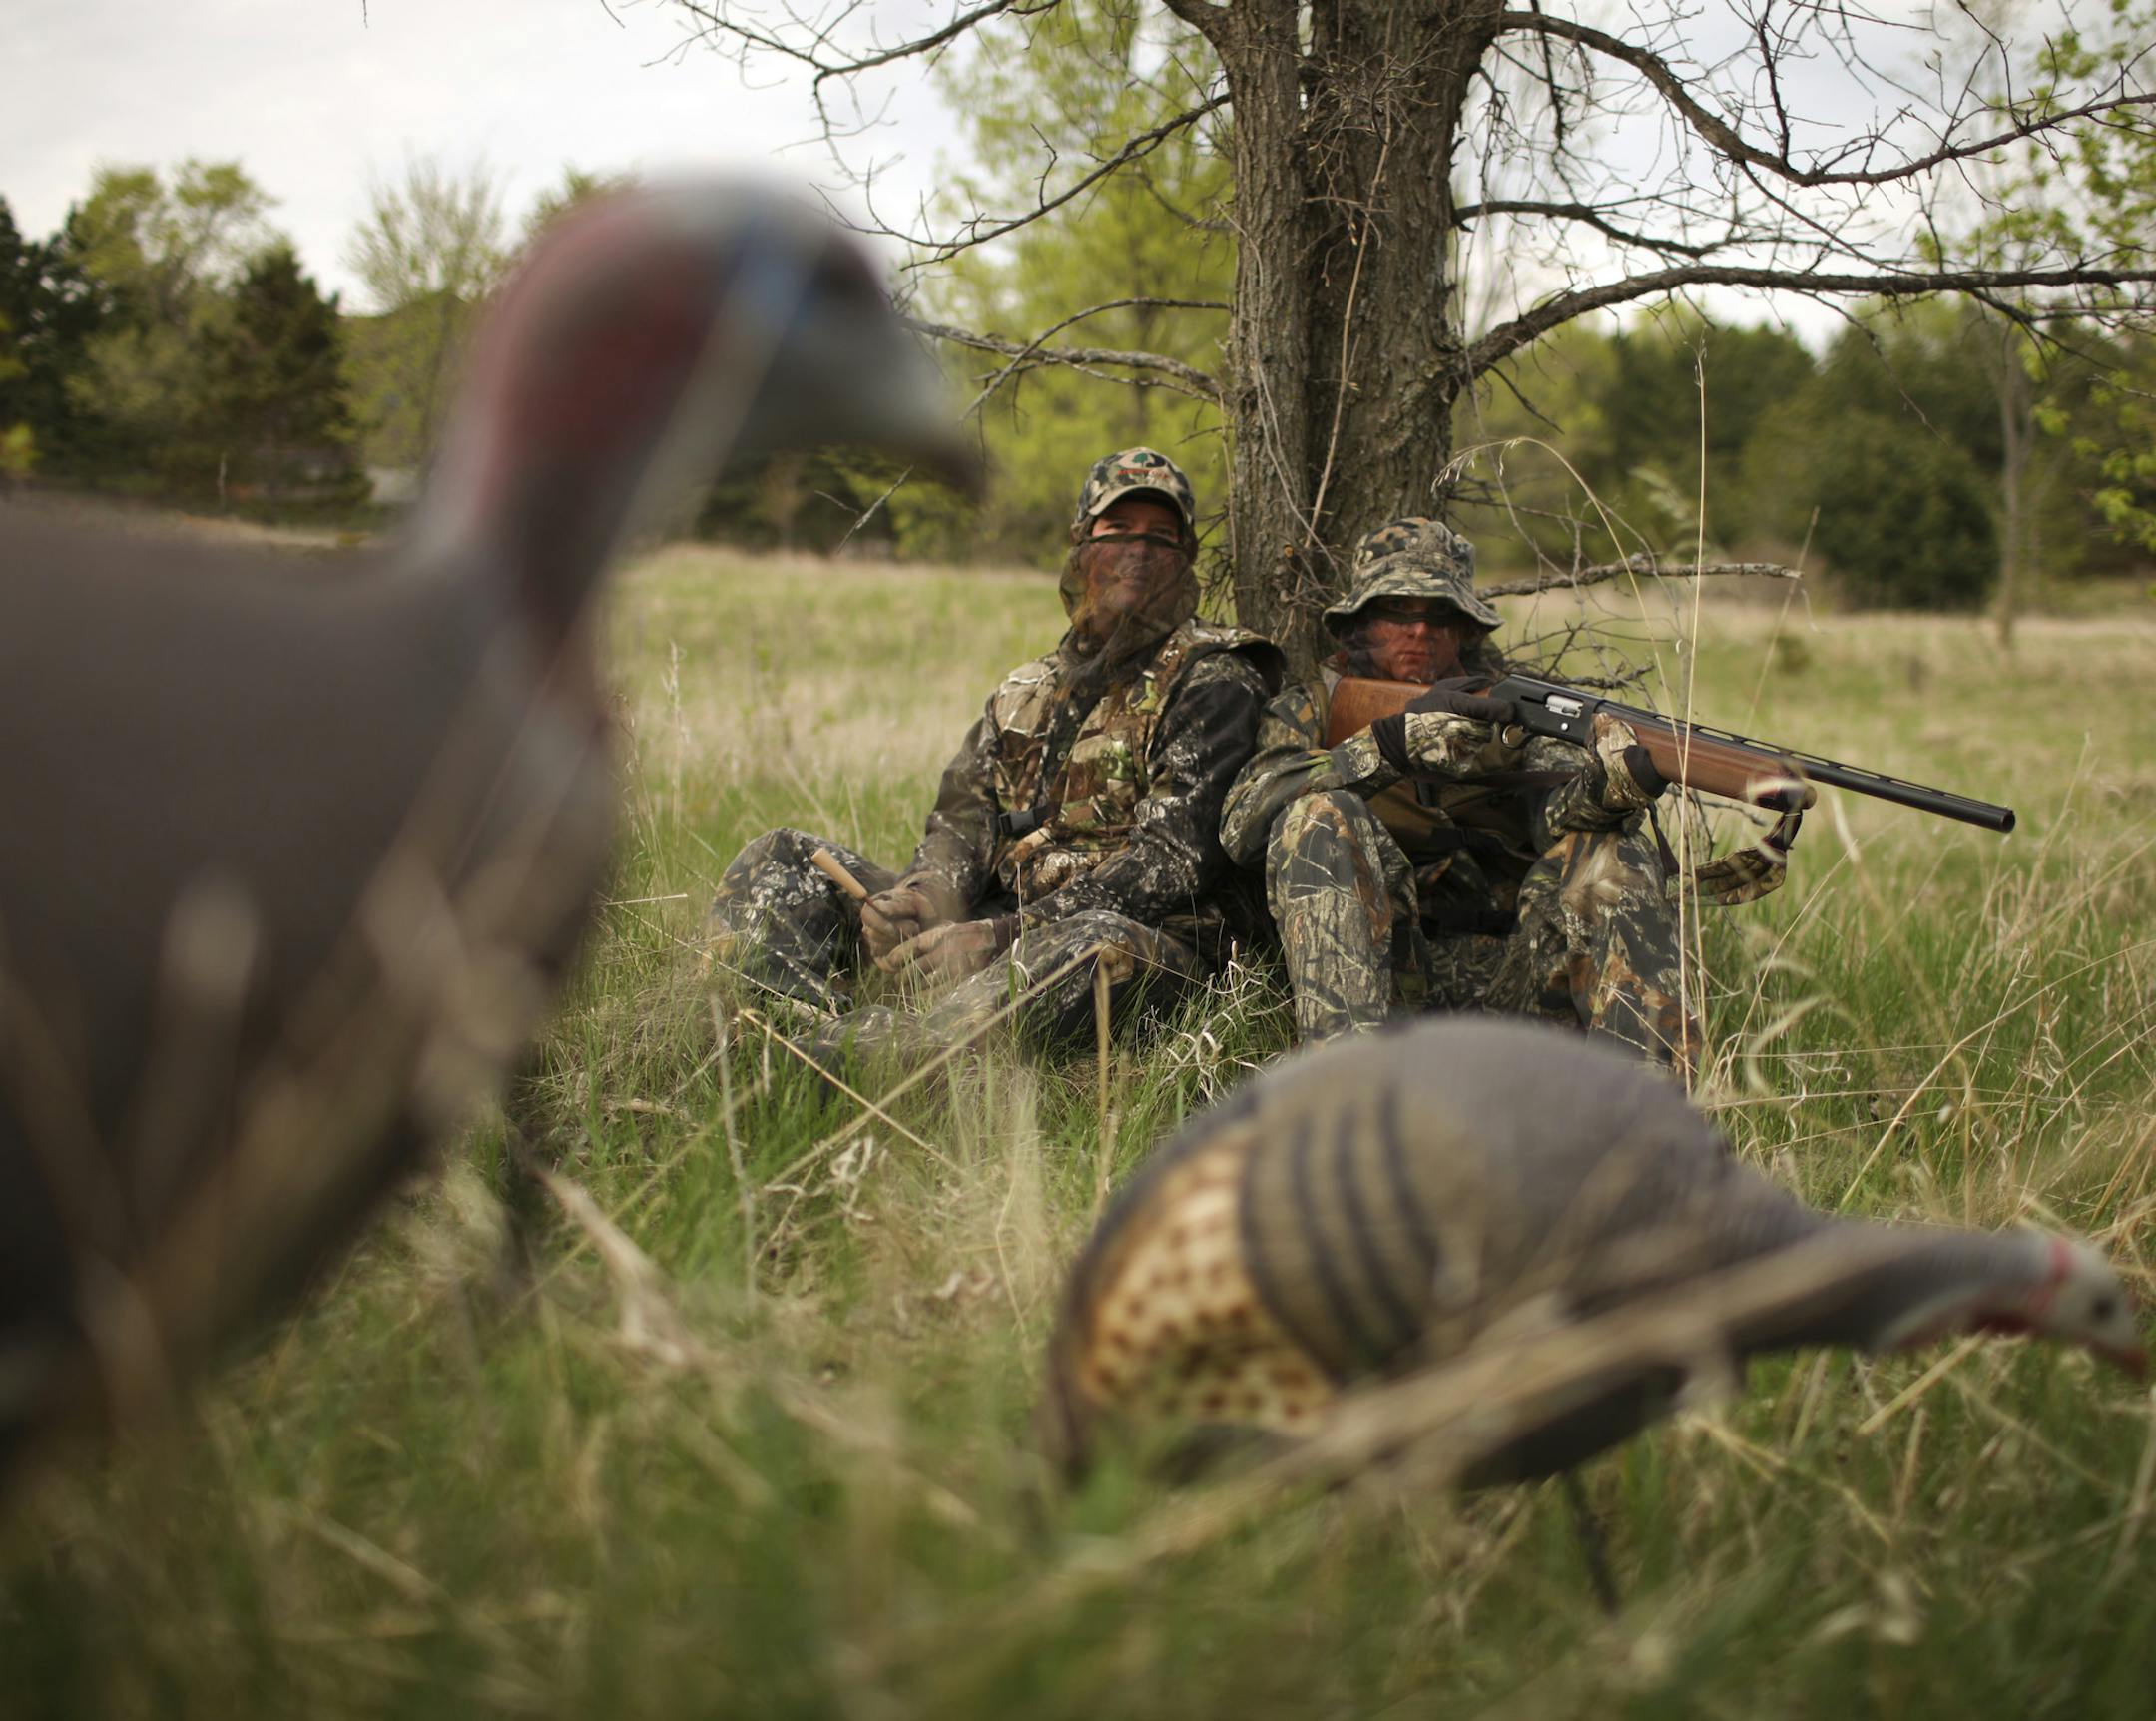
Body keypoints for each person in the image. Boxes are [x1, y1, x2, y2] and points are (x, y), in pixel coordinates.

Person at [708, 447, 1284, 1069]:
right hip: (989, 930)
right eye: (1117, 531)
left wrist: (1000, 938)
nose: (1139, 552)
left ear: (1186, 558)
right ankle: (788, 1027)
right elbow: (960, 823)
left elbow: (1169, 865)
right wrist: (923, 901)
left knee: (1094, 945)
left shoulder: (1216, 679)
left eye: (1160, 537)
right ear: (1081, 544)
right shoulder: (1023, 691)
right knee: (783, 855)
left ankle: (883, 1062)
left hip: (1139, 946)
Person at [1220, 517, 1780, 1076]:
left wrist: (1608, 790)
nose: (1420, 632)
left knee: (1611, 851)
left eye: (1441, 616)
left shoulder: (1513, 710)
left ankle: (1654, 1123)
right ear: (1359, 625)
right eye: (1398, 613)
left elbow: (1559, 817)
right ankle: (1345, 1100)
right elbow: (1243, 823)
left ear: (1466, 629)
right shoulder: (1313, 708)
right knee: (1318, 816)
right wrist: (1385, 748)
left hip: (1516, 977)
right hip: (1383, 985)